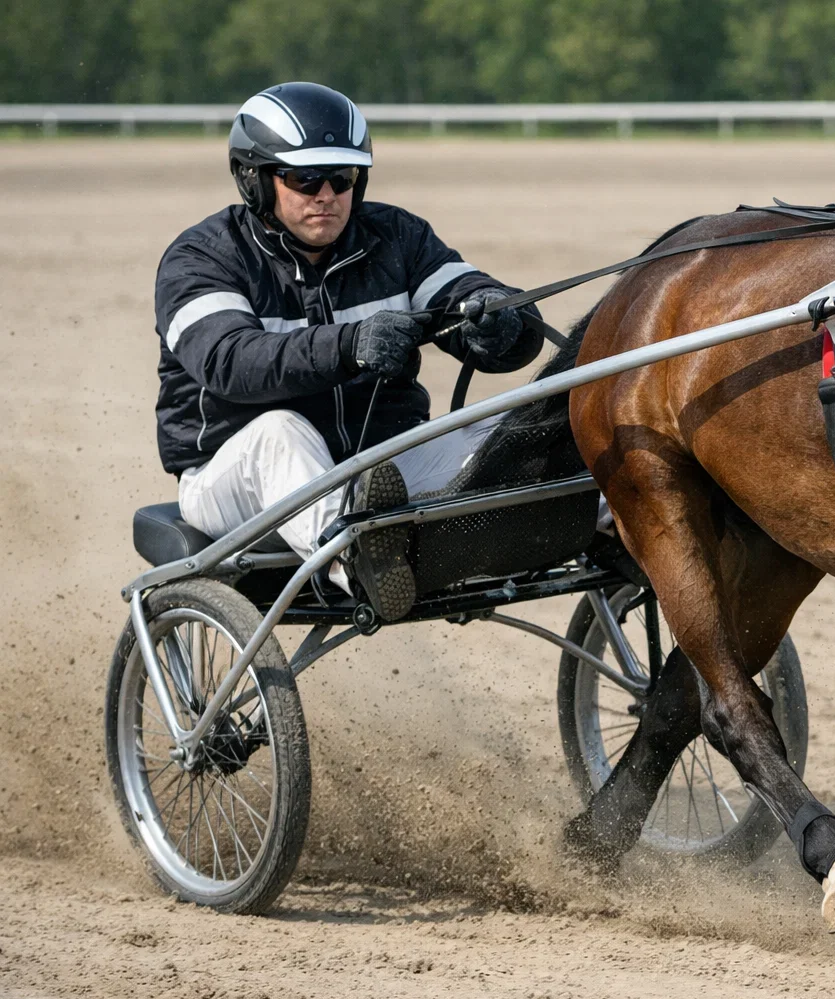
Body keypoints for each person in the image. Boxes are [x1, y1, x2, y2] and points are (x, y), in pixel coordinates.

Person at [154, 82, 544, 622]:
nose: (327, 194)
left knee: (516, 426)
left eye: (343, 177)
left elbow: (463, 293)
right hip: (234, 478)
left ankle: (621, 523)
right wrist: (349, 345)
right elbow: (230, 361)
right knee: (279, 432)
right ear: (254, 179)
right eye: (304, 178)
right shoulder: (202, 257)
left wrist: (500, 320)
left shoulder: (396, 237)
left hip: (376, 465)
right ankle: (359, 564)